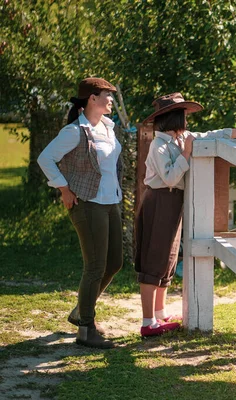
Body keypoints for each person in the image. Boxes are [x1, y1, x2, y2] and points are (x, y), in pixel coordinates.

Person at [136, 92, 236, 337]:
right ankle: (148, 322)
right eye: (184, 115)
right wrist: (187, 154)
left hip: (172, 202)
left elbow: (211, 135)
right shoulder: (159, 145)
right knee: (153, 259)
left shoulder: (180, 139)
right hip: (159, 200)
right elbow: (169, 177)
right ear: (174, 118)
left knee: (167, 258)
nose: (187, 120)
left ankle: (159, 314)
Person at [37, 78, 123, 349]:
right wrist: (63, 189)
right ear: (91, 99)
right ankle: (86, 329)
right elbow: (45, 158)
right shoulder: (75, 131)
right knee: (95, 266)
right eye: (107, 95)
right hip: (87, 204)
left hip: (111, 202)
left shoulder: (108, 127)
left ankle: (79, 311)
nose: (111, 100)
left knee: (115, 263)